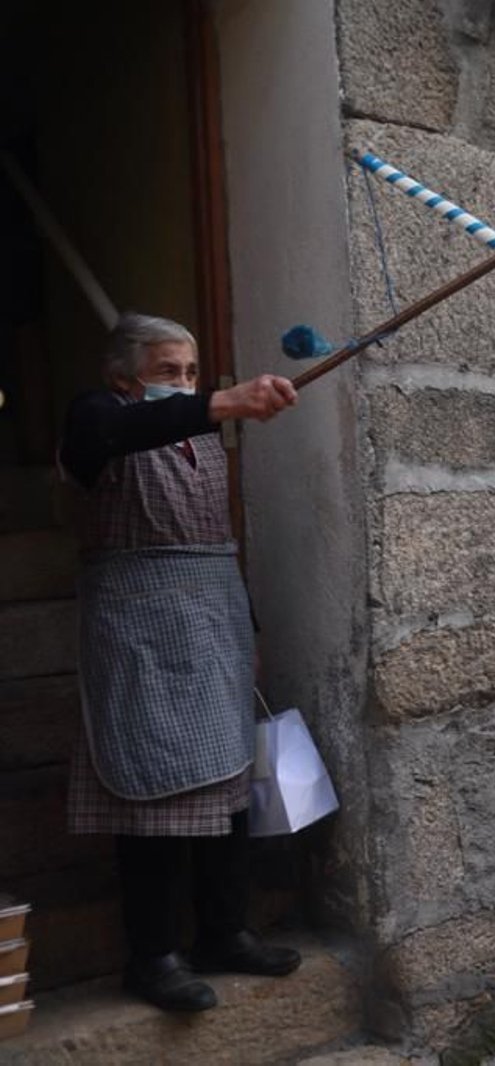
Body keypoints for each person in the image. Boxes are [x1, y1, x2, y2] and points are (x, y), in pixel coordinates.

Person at [59, 313, 303, 1012]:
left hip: (214, 625)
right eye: (169, 373)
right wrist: (226, 400)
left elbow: (217, 542)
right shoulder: (95, 421)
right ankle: (153, 955)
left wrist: (247, 628)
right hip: (139, 635)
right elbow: (111, 431)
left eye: (192, 373)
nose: (186, 386)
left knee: (229, 790)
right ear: (121, 379)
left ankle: (224, 932)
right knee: (152, 796)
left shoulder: (199, 437)